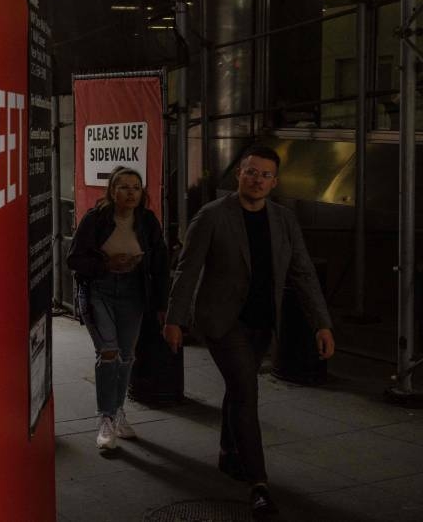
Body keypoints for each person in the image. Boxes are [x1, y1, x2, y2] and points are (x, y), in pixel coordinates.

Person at [163, 145, 336, 516]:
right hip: (222, 321)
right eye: (251, 172)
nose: (257, 180)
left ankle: (229, 451)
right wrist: (174, 319)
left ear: (274, 182)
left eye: (265, 174)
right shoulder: (211, 216)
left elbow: (303, 272)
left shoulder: (284, 220)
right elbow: (187, 270)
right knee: (246, 390)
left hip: (261, 321)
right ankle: (259, 483)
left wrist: (322, 324)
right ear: (238, 174)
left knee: (239, 388)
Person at [67, 166, 168, 451]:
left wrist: (162, 304)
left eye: (136, 187)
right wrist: (106, 265)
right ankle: (106, 419)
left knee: (126, 355)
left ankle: (118, 409)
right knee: (108, 352)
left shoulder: (147, 221)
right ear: (112, 191)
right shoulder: (96, 219)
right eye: (123, 187)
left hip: (133, 291)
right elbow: (73, 259)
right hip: (99, 289)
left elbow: (160, 263)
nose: (130, 192)